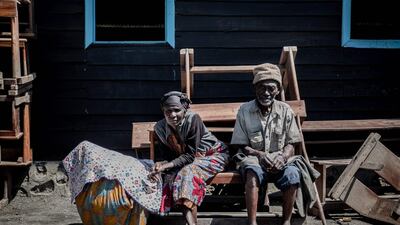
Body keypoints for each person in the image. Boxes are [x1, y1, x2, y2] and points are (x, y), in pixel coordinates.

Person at [230, 63, 303, 225]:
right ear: (255, 88)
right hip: (254, 158)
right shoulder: (245, 110)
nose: (266, 93)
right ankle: (252, 222)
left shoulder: (285, 110)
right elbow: (240, 145)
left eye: (271, 88)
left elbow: (292, 142)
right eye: (262, 88)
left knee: (292, 175)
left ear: (278, 90)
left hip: (279, 158)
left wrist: (283, 157)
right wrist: (260, 155)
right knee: (252, 174)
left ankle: (286, 221)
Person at [149, 91, 230, 225]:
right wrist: (161, 166)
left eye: (177, 110)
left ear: (184, 109)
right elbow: (169, 157)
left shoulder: (193, 119)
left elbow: (190, 155)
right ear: (163, 110)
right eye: (168, 111)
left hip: (214, 155)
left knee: (187, 173)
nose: (172, 115)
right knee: (168, 175)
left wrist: (167, 165)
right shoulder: (160, 128)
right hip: (189, 161)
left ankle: (192, 223)